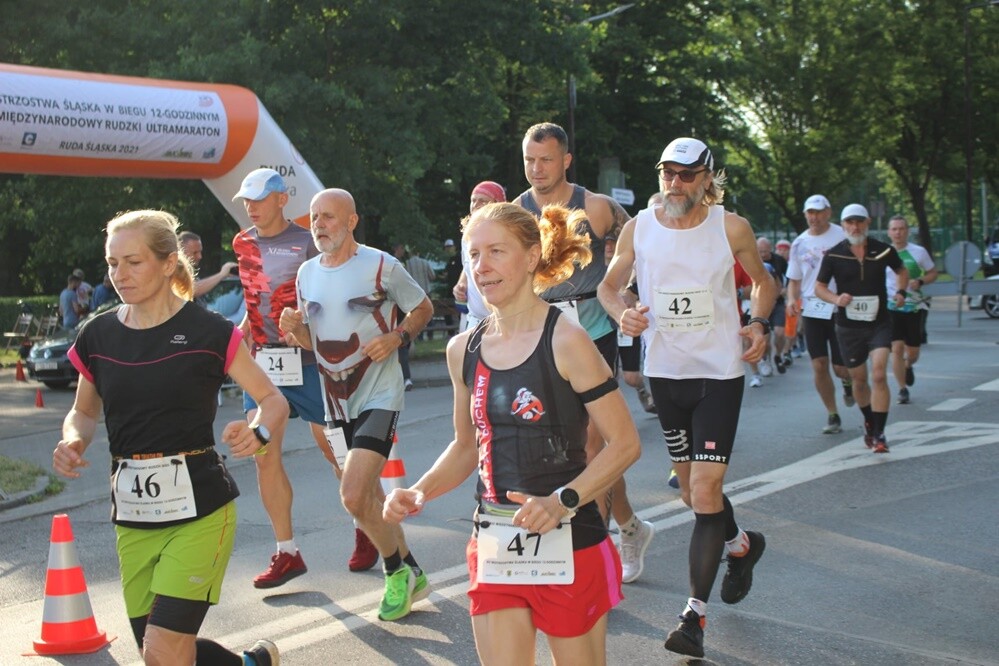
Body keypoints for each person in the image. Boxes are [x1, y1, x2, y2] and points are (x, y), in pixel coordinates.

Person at [383, 202, 641, 664]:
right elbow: (466, 446)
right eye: (474, 254)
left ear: (529, 256)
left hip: (570, 539)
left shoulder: (567, 340)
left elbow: (625, 443)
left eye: (496, 252)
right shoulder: (463, 348)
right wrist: (420, 490)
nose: (482, 267)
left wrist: (563, 499)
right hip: (497, 540)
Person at [53, 209, 286, 666]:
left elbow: (272, 399)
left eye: (133, 262)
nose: (120, 274)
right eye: (112, 263)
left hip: (200, 511)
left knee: (162, 649)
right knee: (160, 653)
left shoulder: (209, 332)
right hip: (134, 517)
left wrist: (257, 432)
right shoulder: (97, 335)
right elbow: (83, 411)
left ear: (166, 263)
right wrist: (73, 440)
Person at [598, 137, 777, 658]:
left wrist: (760, 322)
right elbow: (611, 288)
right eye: (666, 173)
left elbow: (763, 284)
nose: (674, 183)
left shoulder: (731, 227)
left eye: (685, 174)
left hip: (719, 374)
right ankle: (742, 545)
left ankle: (693, 618)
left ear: (706, 178)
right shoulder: (640, 228)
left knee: (703, 493)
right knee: (690, 493)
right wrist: (622, 312)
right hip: (667, 376)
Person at [279, 188, 434, 621]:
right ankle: (414, 570)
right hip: (335, 401)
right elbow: (314, 343)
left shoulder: (382, 265)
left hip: (380, 394)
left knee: (351, 495)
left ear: (351, 221)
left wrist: (398, 338)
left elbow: (421, 307)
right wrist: (293, 329)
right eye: (314, 217)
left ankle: (394, 571)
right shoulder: (306, 273)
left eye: (328, 217)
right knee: (367, 495)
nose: (319, 224)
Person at [518, 121, 653, 584]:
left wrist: (627, 292)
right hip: (541, 338)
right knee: (560, 449)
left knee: (596, 444)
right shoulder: (515, 213)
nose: (537, 169)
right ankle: (630, 526)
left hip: (593, 334)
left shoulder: (595, 208)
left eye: (547, 160)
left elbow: (638, 243)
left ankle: (593, 561)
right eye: (530, 161)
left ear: (566, 160)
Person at [232, 168, 378, 586]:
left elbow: (338, 294)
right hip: (263, 367)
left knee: (340, 456)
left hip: (313, 366)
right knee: (264, 455)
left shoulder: (308, 243)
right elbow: (255, 300)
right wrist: (239, 336)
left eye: (259, 199)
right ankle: (286, 552)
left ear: (282, 199)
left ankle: (370, 529)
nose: (251, 207)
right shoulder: (243, 243)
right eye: (247, 200)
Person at [815, 204, 908, 453]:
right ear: (843, 225)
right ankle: (868, 420)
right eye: (850, 223)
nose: (855, 227)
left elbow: (901, 270)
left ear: (867, 223)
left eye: (859, 222)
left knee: (878, 374)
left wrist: (900, 291)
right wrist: (836, 299)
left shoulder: (882, 250)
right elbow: (819, 287)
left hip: (879, 322)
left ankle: (879, 433)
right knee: (858, 379)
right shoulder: (834, 255)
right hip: (848, 326)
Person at [786, 194, 855, 435]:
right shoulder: (799, 243)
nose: (814, 217)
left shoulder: (842, 235)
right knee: (818, 364)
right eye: (810, 213)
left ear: (828, 212)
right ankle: (832, 413)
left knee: (840, 367)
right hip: (813, 309)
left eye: (818, 212)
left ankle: (847, 383)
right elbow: (794, 280)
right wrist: (792, 299)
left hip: (839, 307)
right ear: (805, 214)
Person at [885, 215, 937, 404]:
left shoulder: (918, 252)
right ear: (889, 232)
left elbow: (933, 272)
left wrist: (921, 281)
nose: (898, 232)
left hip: (914, 306)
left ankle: (908, 365)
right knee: (896, 348)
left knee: (913, 351)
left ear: (907, 231)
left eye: (901, 229)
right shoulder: (883, 253)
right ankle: (902, 389)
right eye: (894, 229)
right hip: (891, 306)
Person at [453, 181, 505, 332]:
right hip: (474, 320)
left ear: (497, 203)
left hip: (505, 321)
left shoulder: (510, 234)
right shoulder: (467, 236)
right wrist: (461, 284)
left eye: (482, 200)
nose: (476, 204)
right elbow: (468, 265)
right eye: (473, 200)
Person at [757, 237, 789, 375]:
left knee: (779, 332)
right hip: (760, 303)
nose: (762, 255)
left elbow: (789, 277)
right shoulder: (754, 261)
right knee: (765, 338)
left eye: (764, 251)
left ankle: (778, 355)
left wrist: (785, 290)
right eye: (759, 251)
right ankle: (766, 359)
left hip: (778, 301)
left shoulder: (779, 260)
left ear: (770, 248)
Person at [178, 230, 239, 299]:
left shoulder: (191, 273)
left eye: (200, 252)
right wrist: (221, 274)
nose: (200, 256)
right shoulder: (173, 272)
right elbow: (192, 290)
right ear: (181, 252)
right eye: (195, 253)